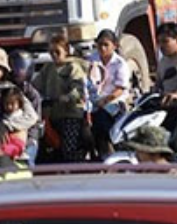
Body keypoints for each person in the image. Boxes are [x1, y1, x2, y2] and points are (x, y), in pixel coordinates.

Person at [36, 33, 91, 162]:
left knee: (69, 150)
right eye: (51, 52)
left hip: (70, 115)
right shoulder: (48, 68)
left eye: (57, 52)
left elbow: (78, 90)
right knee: (52, 150)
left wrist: (67, 97)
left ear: (66, 51)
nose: (54, 55)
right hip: (53, 115)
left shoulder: (73, 67)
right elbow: (36, 86)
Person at [87, 29, 132, 157]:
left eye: (106, 45)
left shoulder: (120, 64)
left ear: (114, 46)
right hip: (94, 100)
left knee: (103, 121)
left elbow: (120, 89)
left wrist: (104, 101)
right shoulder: (92, 59)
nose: (102, 48)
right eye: (100, 44)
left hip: (114, 102)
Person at [0, 85, 38, 159]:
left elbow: (33, 117)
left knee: (3, 151)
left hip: (18, 143)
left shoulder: (20, 115)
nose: (9, 107)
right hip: (7, 142)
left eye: (12, 104)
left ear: (19, 103)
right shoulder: (4, 115)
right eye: (6, 104)